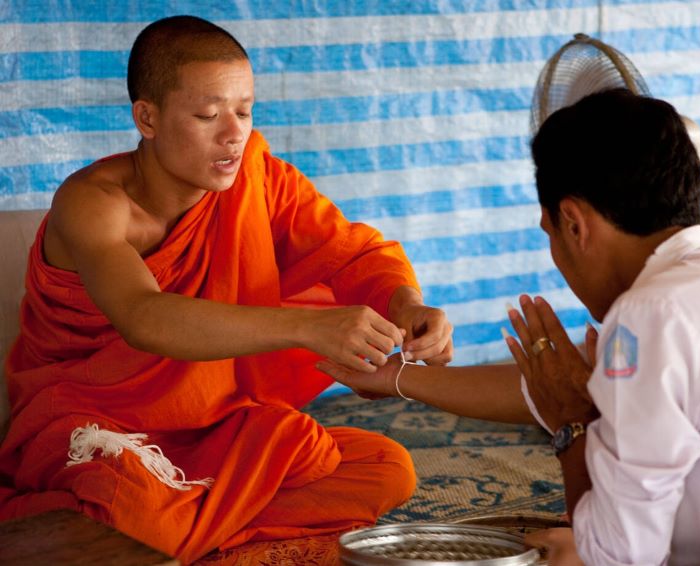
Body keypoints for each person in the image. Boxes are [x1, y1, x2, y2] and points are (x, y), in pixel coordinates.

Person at [0, 15, 453, 563]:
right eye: (208, 115)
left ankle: (178, 523)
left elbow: (354, 252)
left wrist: (406, 304)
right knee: (125, 505)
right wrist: (310, 328)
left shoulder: (260, 181)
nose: (234, 134)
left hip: (213, 423)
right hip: (97, 427)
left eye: (244, 111)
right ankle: (170, 520)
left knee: (386, 469)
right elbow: (145, 317)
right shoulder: (93, 203)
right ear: (147, 117)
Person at [318, 88, 700, 564]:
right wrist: (396, 377)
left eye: (550, 232)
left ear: (573, 222)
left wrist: (570, 428)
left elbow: (614, 556)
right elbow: (555, 382)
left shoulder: (649, 315)